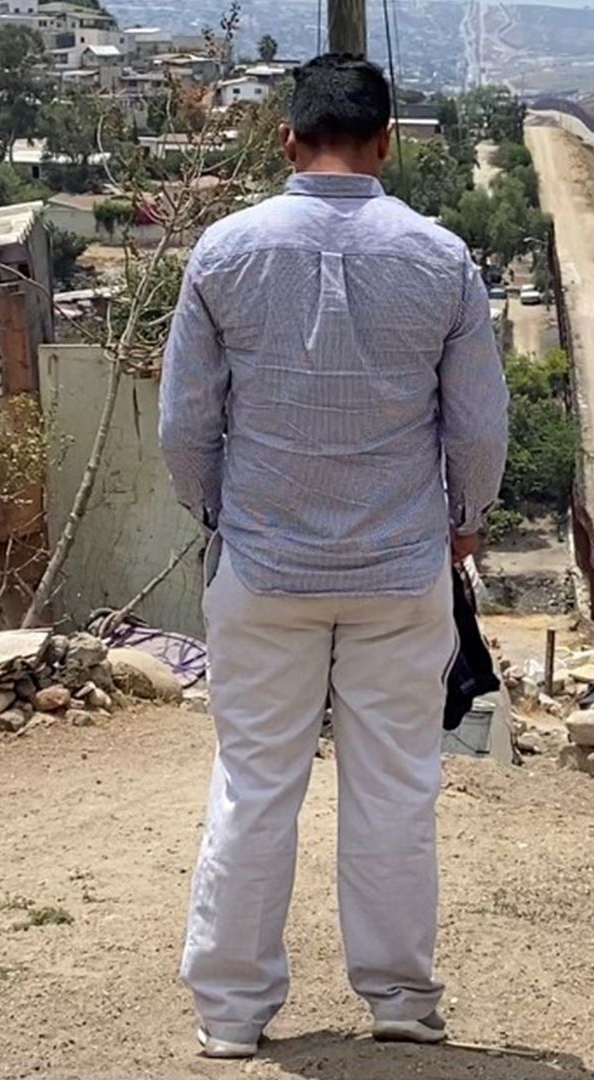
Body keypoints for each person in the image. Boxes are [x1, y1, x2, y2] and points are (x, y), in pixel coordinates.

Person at [159, 53, 509, 1059]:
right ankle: (399, 998)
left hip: (263, 569)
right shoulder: (441, 260)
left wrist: (221, 517)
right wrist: (468, 518)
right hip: (400, 571)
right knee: (395, 786)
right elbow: (478, 428)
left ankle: (230, 1014)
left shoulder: (223, 252)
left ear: (287, 140)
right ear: (387, 141)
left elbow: (186, 425)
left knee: (253, 785)